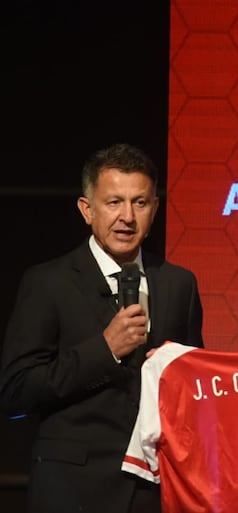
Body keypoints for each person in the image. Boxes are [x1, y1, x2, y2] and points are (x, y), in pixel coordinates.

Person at [0, 143, 204, 513]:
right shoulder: (48, 283)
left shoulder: (179, 284)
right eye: (113, 203)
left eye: (140, 203)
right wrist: (105, 350)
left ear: (155, 209)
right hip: (72, 490)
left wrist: (176, 373)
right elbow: (16, 392)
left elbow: (194, 391)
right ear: (87, 210)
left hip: (154, 490)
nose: (127, 216)